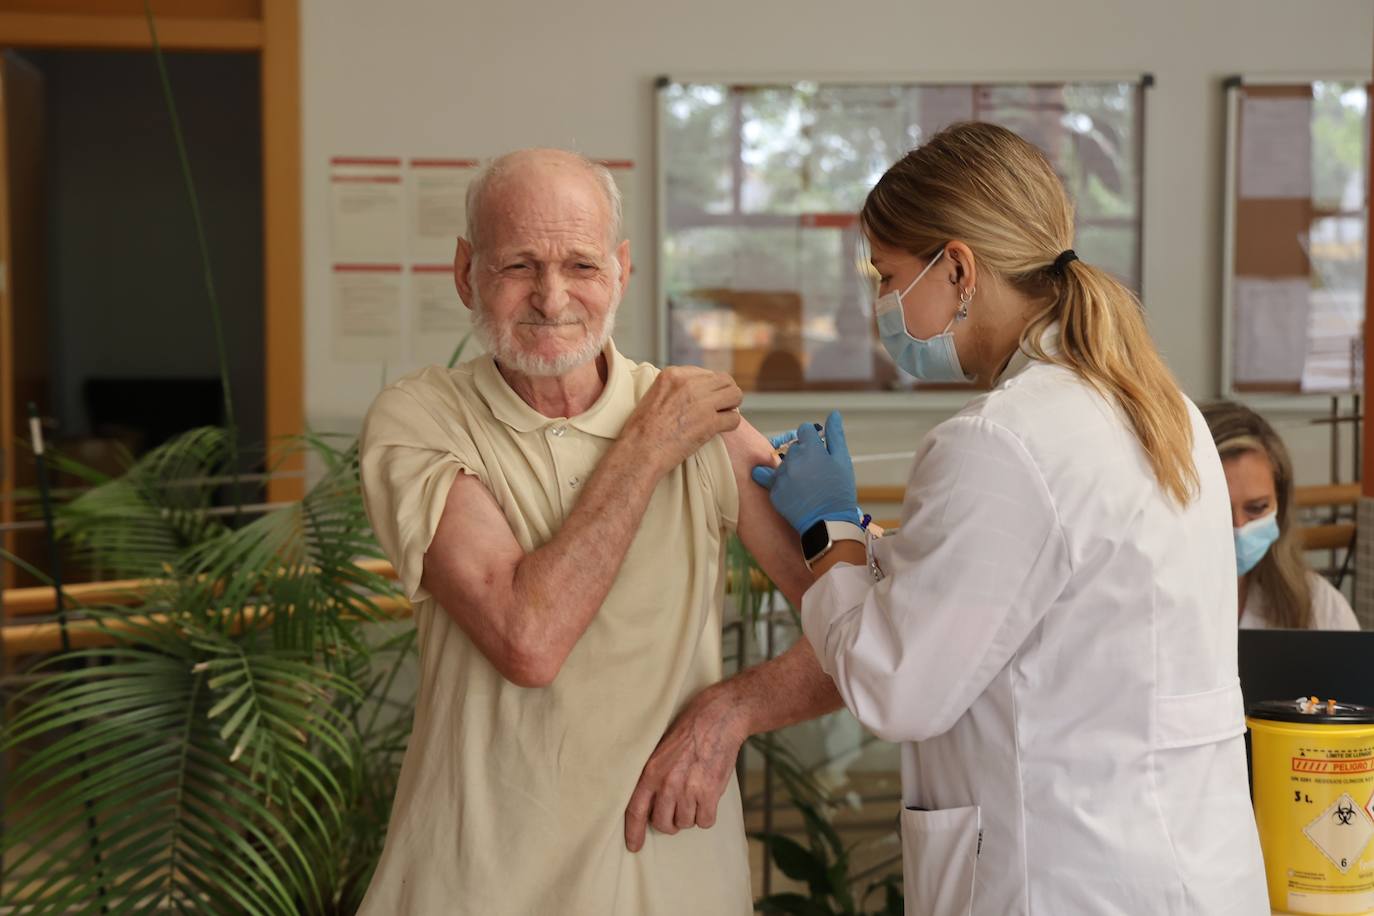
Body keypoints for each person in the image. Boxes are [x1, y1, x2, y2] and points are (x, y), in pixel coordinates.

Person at [751, 123, 1269, 915]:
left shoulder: (997, 440)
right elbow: (1047, 606)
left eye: (887, 277)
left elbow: (897, 688)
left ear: (957, 267)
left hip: (1067, 875)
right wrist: (879, 553)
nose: (881, 305)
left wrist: (827, 530)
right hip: (1188, 865)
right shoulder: (1160, 409)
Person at [355, 148, 840, 916]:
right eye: (518, 265)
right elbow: (528, 638)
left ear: (620, 271)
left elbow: (873, 637)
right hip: (474, 883)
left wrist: (735, 710)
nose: (552, 298)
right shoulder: (421, 419)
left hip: (666, 880)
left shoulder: (701, 417)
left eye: (580, 265)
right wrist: (646, 445)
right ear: (464, 272)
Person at [1202, 400, 1359, 630]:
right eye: (1217, 508)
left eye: (1256, 508)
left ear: (1280, 504)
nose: (1238, 526)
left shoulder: (1320, 606)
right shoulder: (1146, 601)